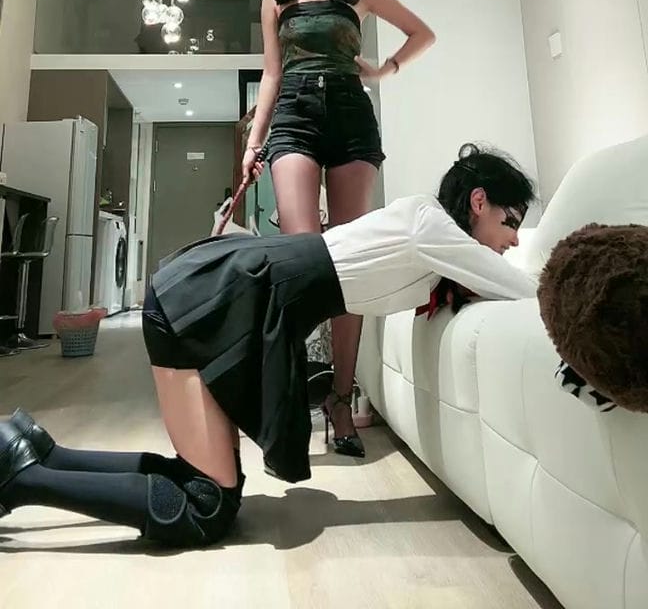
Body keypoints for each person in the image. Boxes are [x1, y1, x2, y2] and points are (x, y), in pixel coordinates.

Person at [0, 144, 538, 551]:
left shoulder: (427, 233)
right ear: (478, 201)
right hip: (219, 298)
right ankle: (24, 479)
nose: (513, 238)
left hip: (234, 293)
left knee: (203, 487)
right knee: (206, 507)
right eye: (510, 222)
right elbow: (523, 289)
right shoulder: (431, 225)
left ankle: (40, 453)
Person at [243, 0, 435, 456]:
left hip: (351, 115)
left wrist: (384, 70)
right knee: (303, 260)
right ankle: (289, 401)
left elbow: (423, 33)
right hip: (294, 114)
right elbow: (272, 73)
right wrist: (254, 141)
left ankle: (341, 400)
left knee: (349, 262)